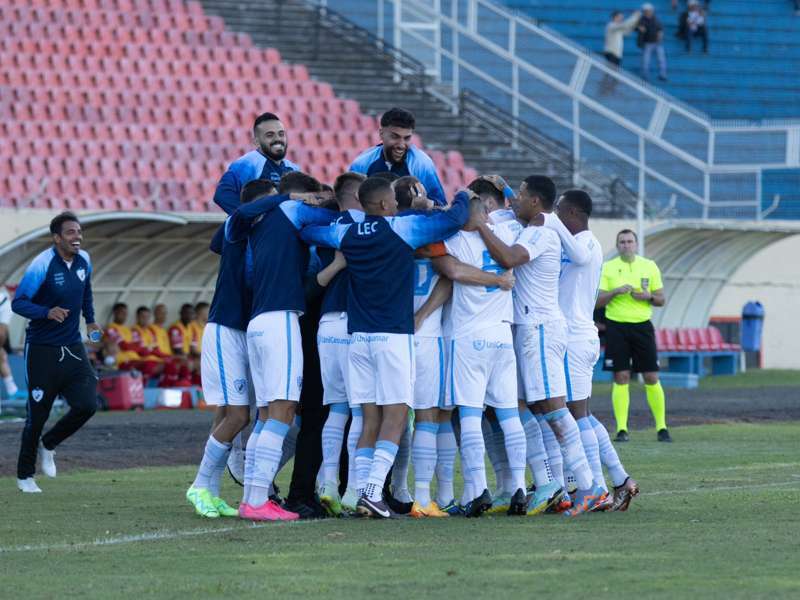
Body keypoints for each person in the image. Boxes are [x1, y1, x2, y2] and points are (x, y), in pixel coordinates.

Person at [299, 177, 469, 518]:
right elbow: (454, 220)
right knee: (396, 414)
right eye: (391, 197)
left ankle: (361, 492)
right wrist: (463, 194)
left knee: (369, 418)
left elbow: (307, 231)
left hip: (357, 338)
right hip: (392, 337)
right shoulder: (403, 228)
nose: (394, 201)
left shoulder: (345, 233)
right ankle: (374, 491)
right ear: (383, 205)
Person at [476, 176, 606, 516]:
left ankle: (589, 485)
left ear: (535, 201)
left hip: (542, 329)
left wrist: (481, 227)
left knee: (554, 407)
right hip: (525, 329)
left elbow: (508, 256)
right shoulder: (532, 223)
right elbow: (510, 218)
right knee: (520, 406)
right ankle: (548, 483)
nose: (514, 198)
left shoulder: (543, 232)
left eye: (519, 194)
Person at [226, 175, 336, 521]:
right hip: (280, 321)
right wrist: (320, 201)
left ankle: (252, 497)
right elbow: (332, 221)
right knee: (283, 410)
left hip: (259, 323)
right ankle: (257, 500)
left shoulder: (254, 225)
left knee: (266, 415)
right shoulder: (289, 210)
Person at [434, 194, 530, 518]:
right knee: (509, 416)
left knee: (471, 416)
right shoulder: (506, 236)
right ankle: (518, 486)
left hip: (470, 336)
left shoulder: (455, 238)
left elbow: (452, 271)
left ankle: (478, 490)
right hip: (502, 336)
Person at [186, 180, 276, 520]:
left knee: (231, 414)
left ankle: (209, 489)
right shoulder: (238, 225)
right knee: (237, 416)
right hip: (226, 328)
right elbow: (229, 226)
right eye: (269, 203)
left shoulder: (254, 235)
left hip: (242, 330)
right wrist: (285, 197)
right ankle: (199, 485)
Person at [544, 190, 639, 511]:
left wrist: (547, 220)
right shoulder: (577, 244)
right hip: (577, 335)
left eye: (558, 211)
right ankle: (619, 479)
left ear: (571, 213)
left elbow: (578, 258)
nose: (554, 215)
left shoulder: (586, 243)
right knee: (580, 414)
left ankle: (596, 486)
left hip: (574, 338)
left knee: (573, 415)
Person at [11, 212, 102, 493]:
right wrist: (46, 312)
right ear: (57, 238)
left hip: (73, 347)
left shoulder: (84, 260)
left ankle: (49, 444)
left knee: (88, 404)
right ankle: (25, 476)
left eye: (79, 231)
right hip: (41, 350)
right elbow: (19, 303)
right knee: (36, 416)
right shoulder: (42, 265)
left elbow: (85, 293)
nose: (78, 237)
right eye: (71, 233)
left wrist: (90, 320)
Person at [315, 171, 367, 516]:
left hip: (326, 323)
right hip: (355, 325)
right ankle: (354, 491)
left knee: (336, 409)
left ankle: (328, 482)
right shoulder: (370, 227)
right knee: (361, 409)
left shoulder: (326, 228)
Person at [596, 229, 671, 443]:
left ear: (636, 245)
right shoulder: (608, 268)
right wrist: (615, 292)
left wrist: (648, 296)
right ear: (617, 246)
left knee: (651, 376)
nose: (626, 245)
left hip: (642, 327)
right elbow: (598, 300)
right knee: (621, 376)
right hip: (616, 327)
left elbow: (661, 299)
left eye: (630, 241)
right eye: (622, 242)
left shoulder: (649, 266)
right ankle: (621, 429)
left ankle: (662, 428)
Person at [349, 107, 447, 206]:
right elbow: (348, 203)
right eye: (395, 137)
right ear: (381, 134)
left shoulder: (421, 164)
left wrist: (427, 204)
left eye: (407, 138)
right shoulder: (362, 163)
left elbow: (442, 205)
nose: (401, 145)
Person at [213, 112, 300, 214]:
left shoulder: (293, 168)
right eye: (270, 135)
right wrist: (249, 218)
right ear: (256, 142)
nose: (277, 139)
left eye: (281, 134)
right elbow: (222, 195)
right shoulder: (250, 162)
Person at [0, 285, 25, 409]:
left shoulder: (5, 302)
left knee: (2, 356)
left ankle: (12, 390)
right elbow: (2, 333)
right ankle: (12, 390)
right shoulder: (6, 303)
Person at [638, 3, 667, 81]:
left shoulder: (656, 19)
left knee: (661, 59)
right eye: (647, 11)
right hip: (647, 43)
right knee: (646, 60)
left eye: (650, 10)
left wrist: (660, 35)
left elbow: (660, 29)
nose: (649, 12)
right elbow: (639, 29)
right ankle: (645, 76)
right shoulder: (642, 20)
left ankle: (663, 75)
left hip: (657, 43)